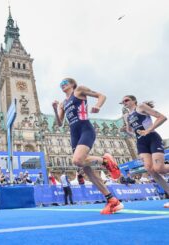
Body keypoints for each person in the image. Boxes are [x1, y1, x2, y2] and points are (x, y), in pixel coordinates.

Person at [52, 78, 123, 214]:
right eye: (61, 84)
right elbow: (60, 123)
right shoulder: (63, 103)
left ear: (73, 84)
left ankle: (105, 160)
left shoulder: (79, 90)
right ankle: (112, 200)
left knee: (77, 160)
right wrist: (55, 109)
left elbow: (102, 96)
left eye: (66, 82)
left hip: (85, 129)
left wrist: (98, 105)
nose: (63, 85)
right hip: (74, 134)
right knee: (87, 170)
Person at [121, 95, 169, 208]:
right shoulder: (126, 116)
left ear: (134, 101)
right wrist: (126, 130)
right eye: (123, 102)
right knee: (150, 169)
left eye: (127, 100)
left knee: (159, 168)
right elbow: (131, 132)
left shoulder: (141, 107)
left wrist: (148, 130)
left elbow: (162, 117)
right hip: (140, 142)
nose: (124, 102)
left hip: (152, 137)